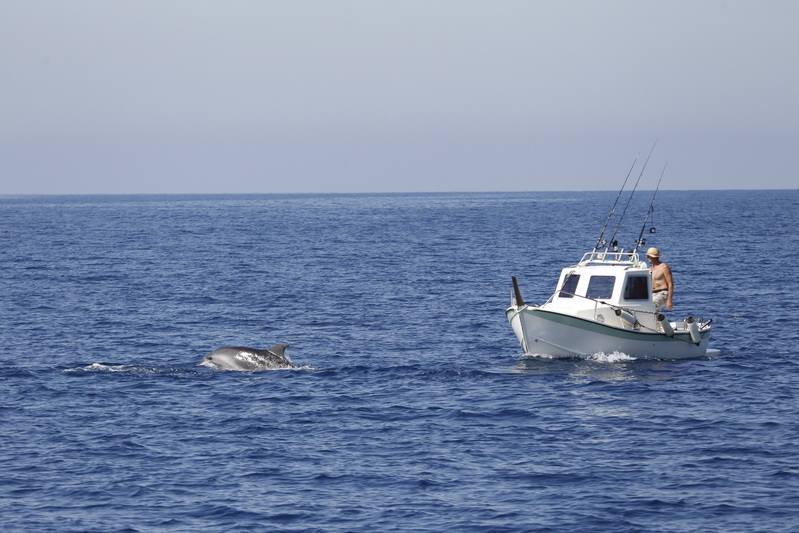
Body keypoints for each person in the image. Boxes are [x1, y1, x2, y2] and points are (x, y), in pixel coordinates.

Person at [646, 247, 673, 311]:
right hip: (652, 294)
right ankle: (657, 320)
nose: (647, 258)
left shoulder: (664, 267)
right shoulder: (650, 269)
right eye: (648, 256)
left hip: (662, 293)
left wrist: (669, 300)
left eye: (649, 256)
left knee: (651, 306)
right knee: (643, 305)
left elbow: (670, 284)